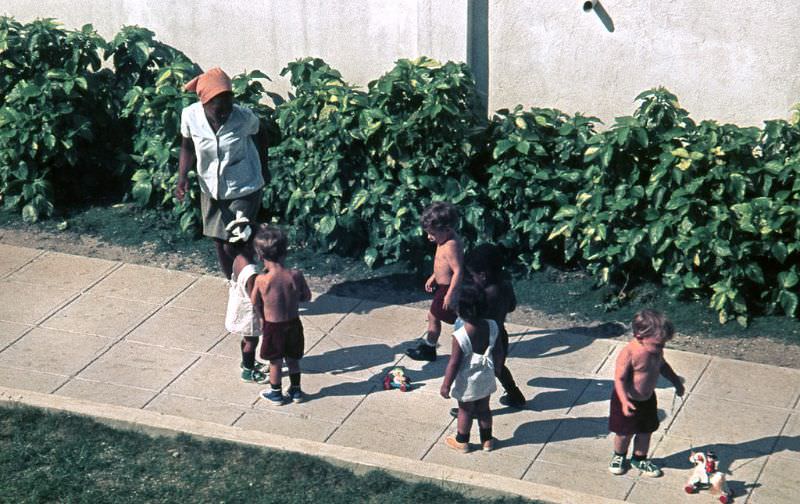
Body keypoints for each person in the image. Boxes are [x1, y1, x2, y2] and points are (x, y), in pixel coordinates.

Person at [177, 67, 269, 279]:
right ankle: (234, 284)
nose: (226, 113)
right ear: (204, 103)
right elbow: (187, 147)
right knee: (219, 240)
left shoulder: (243, 117)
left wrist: (264, 167)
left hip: (244, 185)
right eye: (219, 109)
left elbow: (261, 134)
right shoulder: (190, 116)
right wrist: (182, 178)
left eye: (229, 106)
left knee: (236, 241)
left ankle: (252, 283)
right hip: (210, 188)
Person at [448, 244, 525, 418]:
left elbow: (475, 315)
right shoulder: (505, 285)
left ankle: (473, 407)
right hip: (499, 335)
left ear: (483, 275)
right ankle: (515, 395)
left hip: (480, 339)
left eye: (473, 275)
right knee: (499, 368)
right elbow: (511, 306)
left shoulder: (484, 293)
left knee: (476, 373)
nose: (472, 279)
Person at [609, 309, 685, 477]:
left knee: (646, 431)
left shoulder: (656, 350)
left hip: (647, 399)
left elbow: (663, 366)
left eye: (663, 344)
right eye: (658, 345)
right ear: (639, 336)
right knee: (624, 433)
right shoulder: (629, 353)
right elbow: (619, 379)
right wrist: (623, 401)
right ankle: (619, 456)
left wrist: (676, 381)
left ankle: (639, 458)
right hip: (627, 400)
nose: (661, 348)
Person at [250, 226, 312, 405]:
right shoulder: (295, 275)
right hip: (293, 323)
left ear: (260, 256)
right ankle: (296, 390)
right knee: (293, 359)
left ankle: (276, 393)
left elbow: (254, 301)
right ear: (285, 252)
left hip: (273, 325)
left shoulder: (262, 280)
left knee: (275, 362)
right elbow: (306, 297)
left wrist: (261, 318)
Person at [440, 284, 501, 452]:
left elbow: (454, 363)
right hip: (486, 374)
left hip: (468, 380)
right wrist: (498, 368)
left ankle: (462, 440)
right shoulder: (492, 325)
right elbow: (498, 349)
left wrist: (446, 385)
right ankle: (487, 440)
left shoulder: (460, 336)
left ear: (460, 311)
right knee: (484, 409)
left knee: (465, 410)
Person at [406, 202, 464, 361]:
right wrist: (434, 276)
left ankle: (429, 349)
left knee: (435, 316)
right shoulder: (443, 240)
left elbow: (458, 270)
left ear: (447, 229)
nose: (429, 237)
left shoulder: (451, 245)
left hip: (447, 289)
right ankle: (430, 348)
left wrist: (451, 294)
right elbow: (442, 263)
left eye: (432, 233)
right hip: (442, 286)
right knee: (441, 316)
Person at [224, 218, 267, 383]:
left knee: (247, 339)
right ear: (252, 246)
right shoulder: (251, 271)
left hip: (239, 304)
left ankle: (247, 361)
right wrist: (263, 316)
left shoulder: (238, 259)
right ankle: (248, 371)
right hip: (249, 313)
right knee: (252, 340)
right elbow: (254, 298)